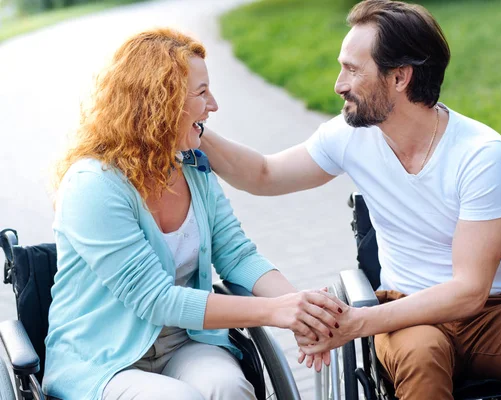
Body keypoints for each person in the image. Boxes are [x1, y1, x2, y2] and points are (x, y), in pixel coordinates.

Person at [199, 1, 501, 399]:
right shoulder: (350, 135)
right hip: (406, 315)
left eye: (353, 70)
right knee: (421, 354)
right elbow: (264, 175)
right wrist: (192, 126)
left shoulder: (482, 155)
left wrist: (359, 322)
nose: (339, 84)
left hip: (493, 313)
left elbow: (469, 290)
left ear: (399, 78)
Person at [44, 28, 347, 400]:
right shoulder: (93, 184)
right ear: (160, 102)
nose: (214, 105)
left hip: (182, 343)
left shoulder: (193, 169)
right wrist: (273, 311)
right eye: (201, 93)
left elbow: (237, 256)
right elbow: (155, 300)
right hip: (103, 359)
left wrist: (303, 310)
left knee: (229, 387)